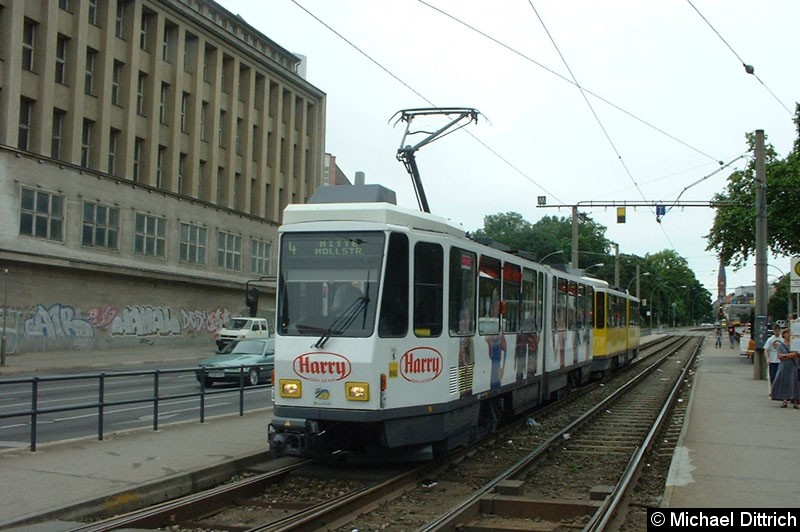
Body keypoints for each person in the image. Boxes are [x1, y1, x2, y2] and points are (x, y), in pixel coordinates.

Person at [769, 329, 799, 409]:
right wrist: (790, 355)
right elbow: (780, 356)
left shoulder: (795, 344)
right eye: (787, 333)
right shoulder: (781, 344)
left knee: (794, 382)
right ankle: (784, 400)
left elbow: (797, 354)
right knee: (784, 382)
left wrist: (786, 355)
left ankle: (795, 401)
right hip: (784, 366)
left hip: (793, 365)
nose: (789, 335)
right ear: (784, 334)